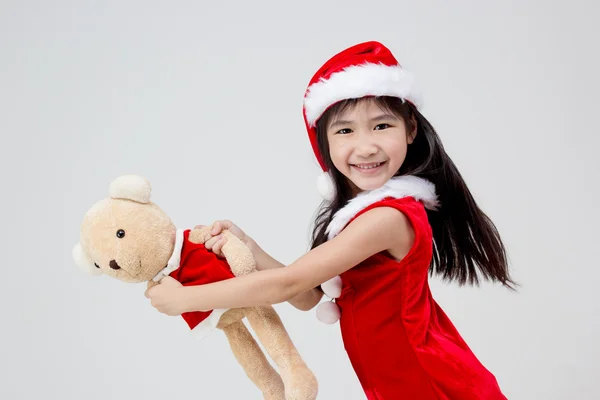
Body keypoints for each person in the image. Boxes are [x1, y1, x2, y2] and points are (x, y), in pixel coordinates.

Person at [146, 41, 515, 399]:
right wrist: (250, 248)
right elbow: (308, 297)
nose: (366, 146)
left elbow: (289, 284)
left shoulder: (388, 218)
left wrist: (187, 299)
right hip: (402, 384)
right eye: (345, 130)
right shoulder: (362, 216)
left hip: (430, 384)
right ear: (324, 142)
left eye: (382, 126)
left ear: (411, 129)